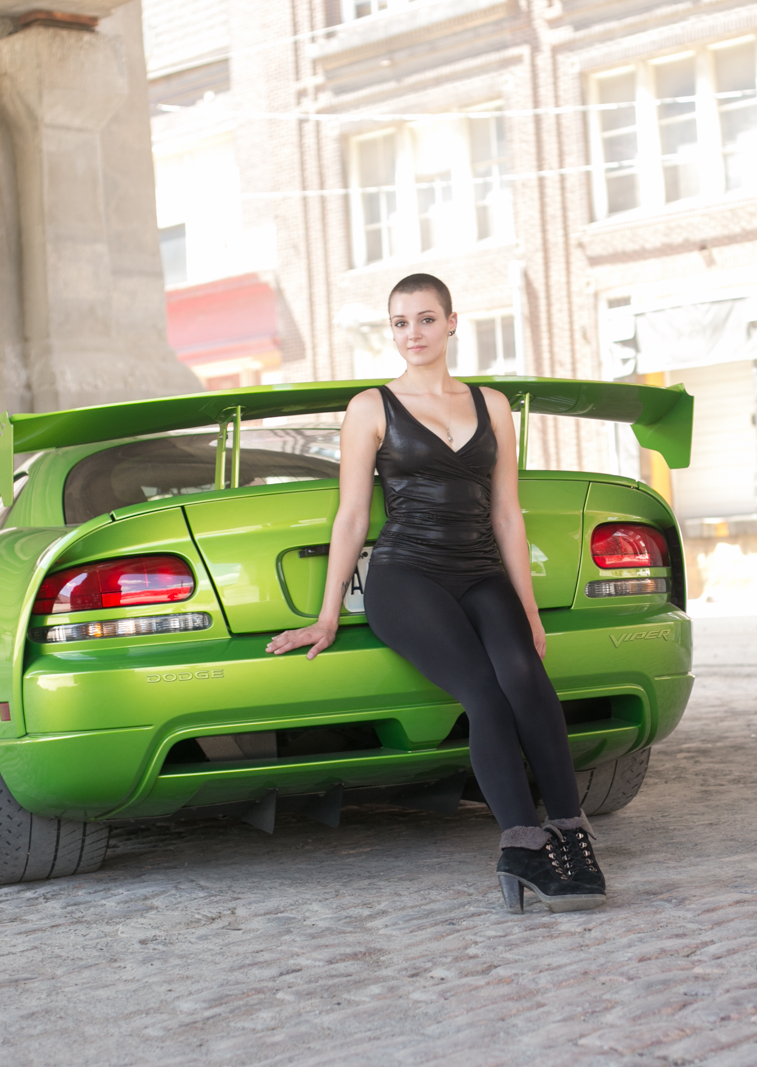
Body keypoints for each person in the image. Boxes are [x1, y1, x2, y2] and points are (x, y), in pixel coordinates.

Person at [265, 273, 605, 913]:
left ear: (451, 322)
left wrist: (529, 610)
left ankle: (571, 832)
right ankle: (522, 846)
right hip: (408, 575)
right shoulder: (372, 407)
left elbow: (506, 513)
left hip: (480, 570)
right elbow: (351, 517)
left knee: (528, 680)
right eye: (400, 323)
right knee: (485, 695)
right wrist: (327, 615)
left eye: (425, 319)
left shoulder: (491, 404)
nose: (412, 334)